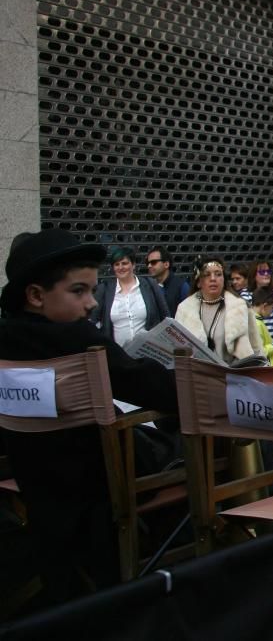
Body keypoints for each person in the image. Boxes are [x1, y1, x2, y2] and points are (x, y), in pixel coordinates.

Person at [0, 230, 179, 602]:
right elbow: (149, 386)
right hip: (103, 481)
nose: (91, 304)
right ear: (35, 295)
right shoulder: (77, 339)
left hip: (36, 484)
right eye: (78, 291)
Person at [175, 256, 263, 365]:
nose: (213, 278)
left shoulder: (239, 306)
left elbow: (256, 347)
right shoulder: (184, 309)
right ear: (198, 282)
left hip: (234, 375)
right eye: (207, 275)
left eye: (218, 274)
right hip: (197, 374)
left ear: (224, 279)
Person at [91, 246, 170, 349]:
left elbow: (166, 317)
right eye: (116, 264)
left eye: (124, 263)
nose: (120, 267)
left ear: (133, 265)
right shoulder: (105, 290)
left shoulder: (150, 285)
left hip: (148, 352)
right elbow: (93, 321)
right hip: (118, 353)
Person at [145, 246, 189, 317]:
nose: (149, 266)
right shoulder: (148, 286)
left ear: (166, 264)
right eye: (147, 263)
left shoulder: (181, 286)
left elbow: (189, 313)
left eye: (153, 262)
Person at [251, 288, 273, 366]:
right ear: (264, 306)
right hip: (265, 372)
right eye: (272, 308)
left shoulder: (256, 320)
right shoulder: (256, 324)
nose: (272, 312)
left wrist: (272, 341)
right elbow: (258, 353)